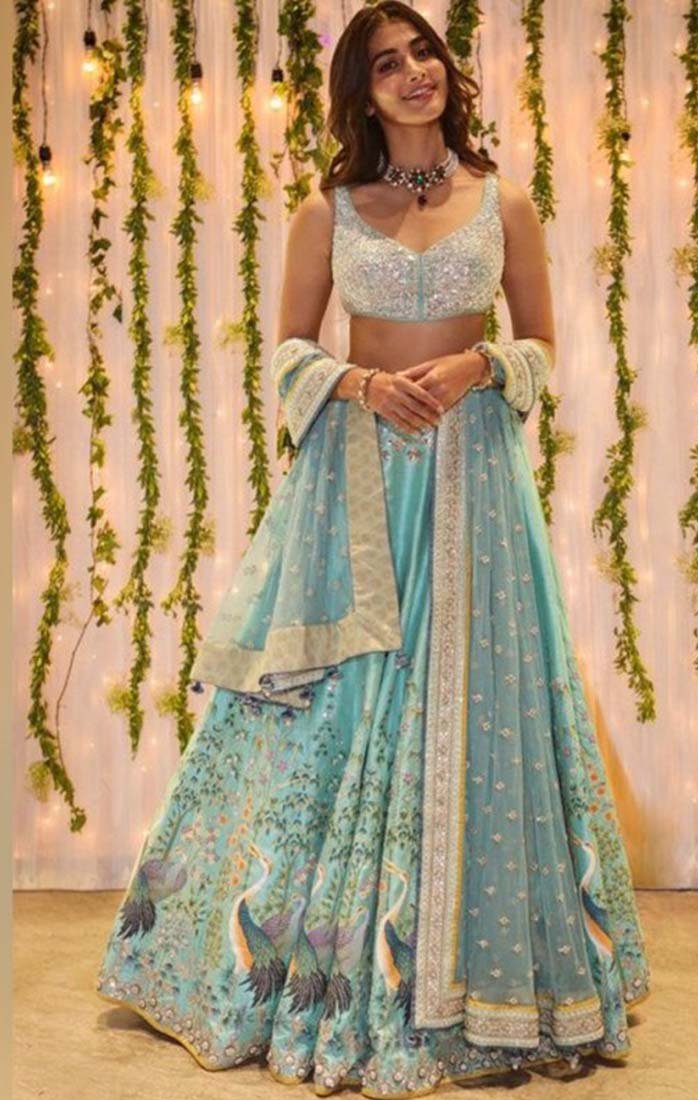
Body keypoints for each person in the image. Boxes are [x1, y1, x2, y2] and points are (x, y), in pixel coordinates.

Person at [95, 2, 650, 1095]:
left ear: (447, 68)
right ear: (363, 91)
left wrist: (480, 366)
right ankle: (306, 967)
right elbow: (287, 352)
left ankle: (482, 967)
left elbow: (541, 342)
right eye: (386, 63)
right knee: (344, 699)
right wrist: (357, 383)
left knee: (476, 702)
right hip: (357, 484)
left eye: (422, 52)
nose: (411, 72)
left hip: (475, 484)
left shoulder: (504, 202)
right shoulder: (330, 210)